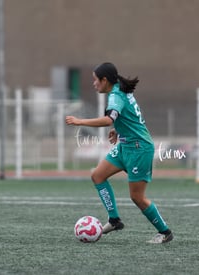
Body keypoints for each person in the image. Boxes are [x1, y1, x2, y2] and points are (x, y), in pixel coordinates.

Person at [65, 62, 173, 244]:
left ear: (105, 80)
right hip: (125, 146)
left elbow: (108, 119)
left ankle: (165, 232)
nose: (94, 84)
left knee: (137, 197)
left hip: (139, 150)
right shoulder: (121, 90)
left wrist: (79, 121)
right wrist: (119, 129)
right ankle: (114, 220)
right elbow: (131, 116)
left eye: (95, 80)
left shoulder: (116, 95)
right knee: (97, 175)